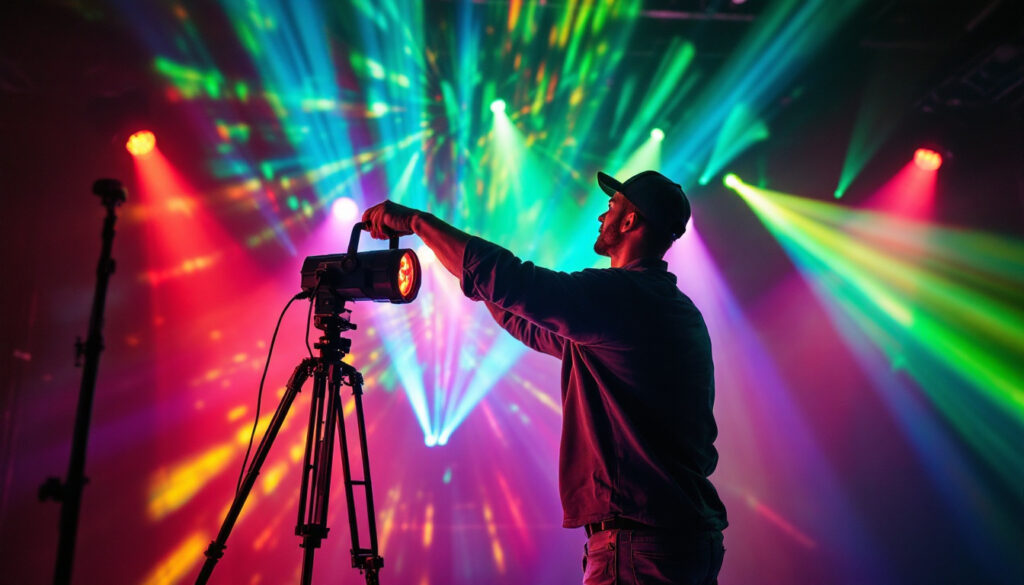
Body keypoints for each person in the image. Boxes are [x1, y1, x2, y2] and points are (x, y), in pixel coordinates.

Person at [361, 170, 727, 584]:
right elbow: (527, 322)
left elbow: (515, 282)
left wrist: (417, 222)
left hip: (639, 551)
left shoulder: (623, 296)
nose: (601, 216)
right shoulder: (663, 307)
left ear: (629, 222)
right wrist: (475, 276)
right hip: (676, 541)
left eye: (612, 207)